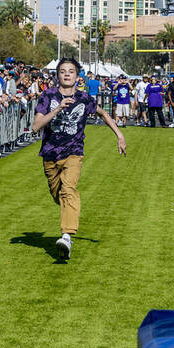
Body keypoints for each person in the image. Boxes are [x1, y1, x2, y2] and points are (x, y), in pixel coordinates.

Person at [31, 58, 126, 260]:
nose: (67, 74)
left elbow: (103, 114)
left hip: (74, 152)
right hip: (49, 154)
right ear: (57, 75)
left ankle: (66, 236)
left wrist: (119, 135)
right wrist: (57, 109)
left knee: (69, 190)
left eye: (71, 71)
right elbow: (36, 126)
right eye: (63, 71)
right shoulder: (48, 96)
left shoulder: (85, 98)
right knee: (59, 195)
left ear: (77, 76)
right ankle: (68, 219)